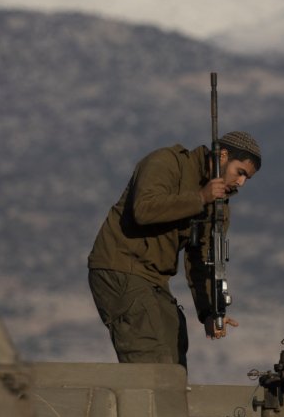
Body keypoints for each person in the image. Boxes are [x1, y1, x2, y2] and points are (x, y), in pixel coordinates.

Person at [87, 131, 262, 368]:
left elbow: (202, 259)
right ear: (222, 156)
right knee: (150, 355)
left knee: (175, 350)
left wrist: (210, 311)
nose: (240, 183)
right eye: (240, 172)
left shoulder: (218, 204)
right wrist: (200, 197)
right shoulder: (167, 163)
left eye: (247, 179)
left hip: (155, 280)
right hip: (121, 266)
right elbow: (144, 209)